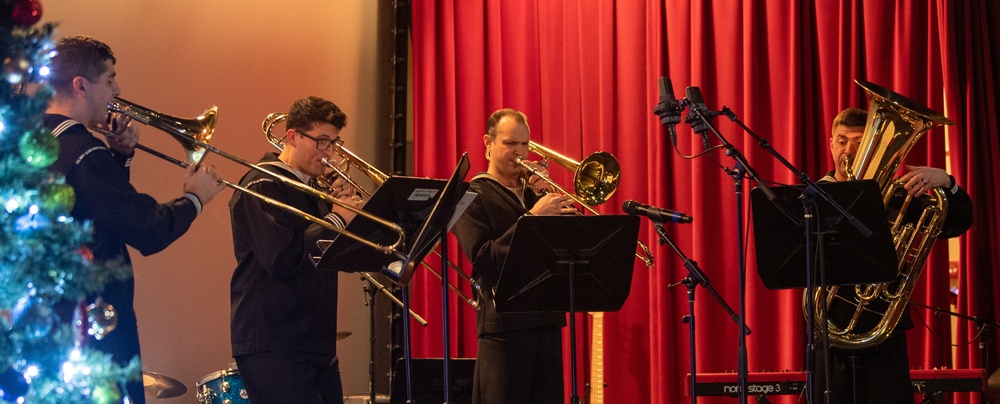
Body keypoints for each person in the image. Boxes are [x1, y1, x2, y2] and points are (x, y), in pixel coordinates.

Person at [45, 36, 226, 403]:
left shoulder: (40, 141)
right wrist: (195, 197)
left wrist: (119, 158)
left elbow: (96, 214)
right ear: (81, 85)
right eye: (110, 79)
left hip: (52, 324)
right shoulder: (82, 150)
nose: (118, 89)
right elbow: (148, 229)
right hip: (94, 325)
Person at [813, 107, 974, 403]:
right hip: (830, 332)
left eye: (859, 142)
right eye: (841, 141)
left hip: (884, 334)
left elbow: (957, 223)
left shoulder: (897, 197)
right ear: (831, 143)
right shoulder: (812, 199)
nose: (848, 150)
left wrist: (948, 183)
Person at [229, 96, 363, 404]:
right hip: (274, 342)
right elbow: (282, 257)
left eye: (334, 143)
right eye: (322, 142)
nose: (329, 153)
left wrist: (352, 219)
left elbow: (345, 258)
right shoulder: (262, 183)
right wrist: (337, 218)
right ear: (292, 136)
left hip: (315, 340)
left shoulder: (316, 192)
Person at [452, 108, 577, 404]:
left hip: (546, 322)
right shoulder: (469, 195)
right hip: (504, 329)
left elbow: (571, 246)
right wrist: (532, 216)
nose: (519, 152)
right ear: (488, 143)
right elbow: (482, 258)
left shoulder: (534, 194)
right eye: (510, 144)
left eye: (525, 145)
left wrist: (547, 196)